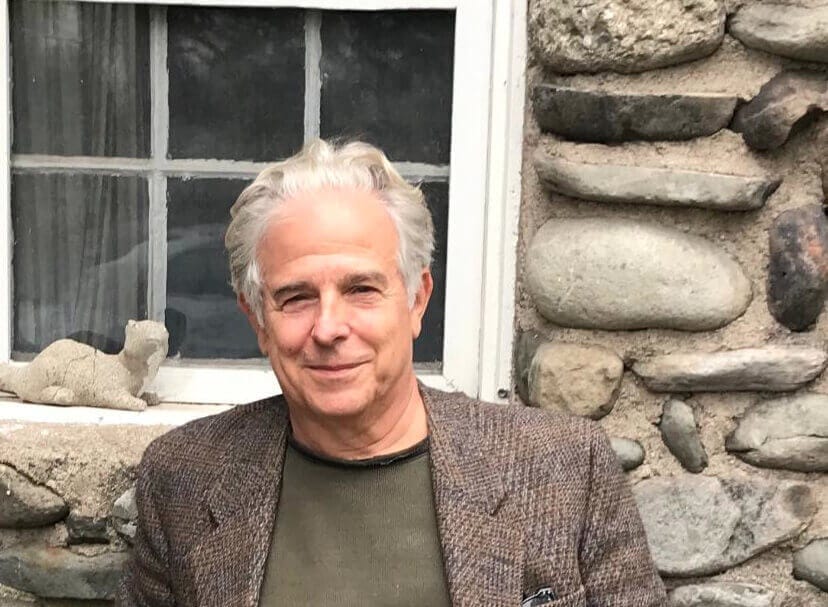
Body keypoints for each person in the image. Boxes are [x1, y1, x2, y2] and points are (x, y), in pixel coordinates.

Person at [118, 139, 667, 607]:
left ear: (416, 300)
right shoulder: (184, 478)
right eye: (295, 297)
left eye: (361, 289)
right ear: (258, 320)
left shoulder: (568, 468)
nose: (329, 327)